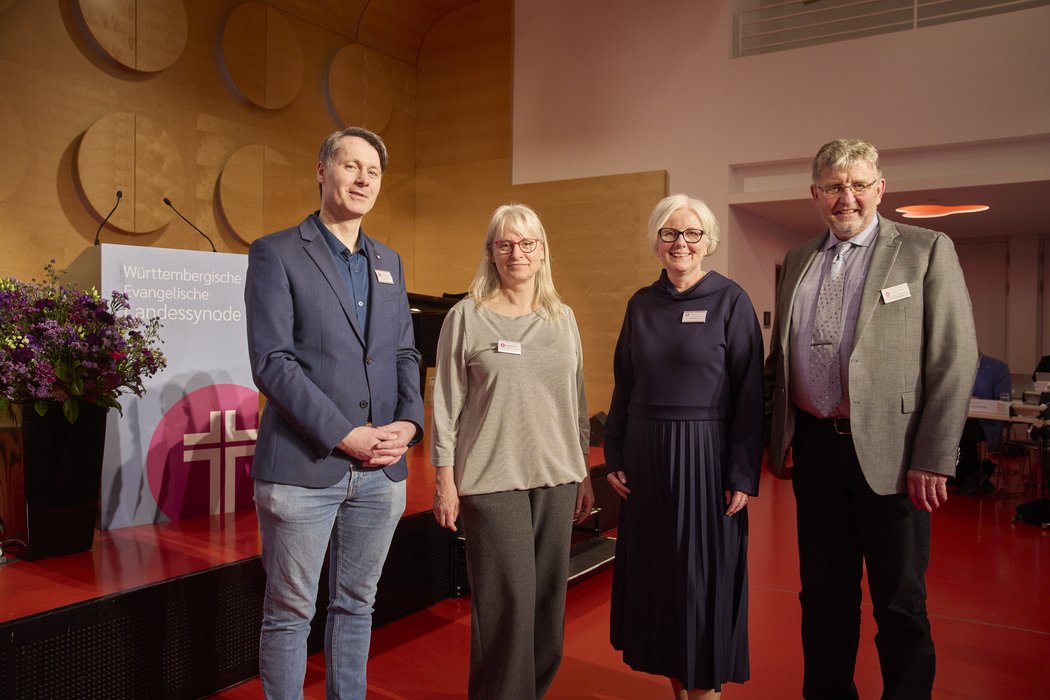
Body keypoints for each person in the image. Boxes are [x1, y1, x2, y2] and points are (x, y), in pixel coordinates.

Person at [765, 139, 978, 699]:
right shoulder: (795, 261)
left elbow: (954, 358)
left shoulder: (926, 249)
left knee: (900, 604)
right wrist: (777, 437)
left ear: (880, 188)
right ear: (816, 194)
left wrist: (933, 456)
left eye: (859, 184)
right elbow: (780, 361)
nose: (847, 197)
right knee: (824, 599)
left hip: (897, 456)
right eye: (834, 186)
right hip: (817, 452)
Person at [245, 126, 424, 700]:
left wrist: (410, 423)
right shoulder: (275, 252)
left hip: (380, 472)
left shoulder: (389, 261)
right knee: (290, 612)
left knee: (357, 605)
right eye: (350, 166)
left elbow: (403, 353)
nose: (362, 179)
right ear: (322, 171)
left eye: (372, 171)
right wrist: (342, 433)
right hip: (303, 468)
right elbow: (273, 363)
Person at [431, 203, 595, 700]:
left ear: (543, 251)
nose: (516, 252)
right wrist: (444, 478)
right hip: (491, 481)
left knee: (547, 608)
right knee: (508, 609)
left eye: (527, 243)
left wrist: (582, 471)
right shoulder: (468, 316)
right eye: (505, 244)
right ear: (491, 253)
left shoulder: (562, 318)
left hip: (557, 477)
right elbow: (444, 404)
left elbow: (577, 400)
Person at [604, 193, 764, 699]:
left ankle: (705, 691)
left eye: (692, 233)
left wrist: (740, 472)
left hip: (706, 459)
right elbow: (623, 386)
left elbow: (750, 394)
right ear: (657, 240)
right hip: (648, 462)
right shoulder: (641, 303)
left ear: (707, 241)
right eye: (671, 233)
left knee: (702, 584)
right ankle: (681, 688)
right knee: (662, 585)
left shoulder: (731, 300)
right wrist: (616, 456)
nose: (681, 243)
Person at [955, 352, 1012, 495]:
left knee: (961, 433)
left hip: (987, 421)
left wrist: (979, 403)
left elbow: (1004, 401)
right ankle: (972, 475)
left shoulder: (998, 368)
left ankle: (971, 474)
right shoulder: (956, 365)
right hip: (961, 419)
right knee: (950, 430)